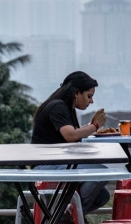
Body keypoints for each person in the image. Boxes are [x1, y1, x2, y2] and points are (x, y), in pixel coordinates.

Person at [31, 71, 110, 214]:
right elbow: (71, 135)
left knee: (102, 196)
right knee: (101, 172)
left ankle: (63, 215)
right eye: (89, 96)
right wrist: (95, 126)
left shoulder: (66, 108)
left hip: (58, 163)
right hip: (46, 166)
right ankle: (68, 213)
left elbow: (73, 134)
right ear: (76, 93)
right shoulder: (57, 107)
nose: (91, 101)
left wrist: (90, 125)